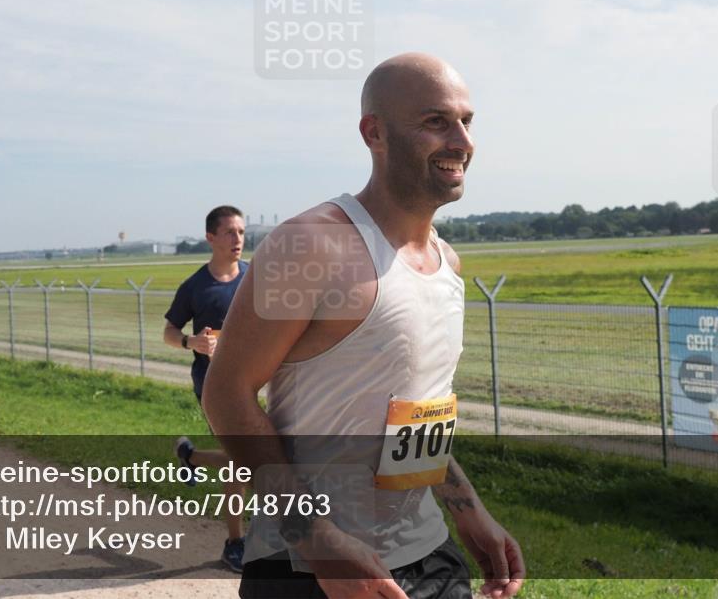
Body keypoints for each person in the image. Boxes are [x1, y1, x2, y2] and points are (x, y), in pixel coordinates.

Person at [202, 54, 525, 599]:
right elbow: (226, 396)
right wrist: (317, 540)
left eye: (467, 121)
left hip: (427, 554)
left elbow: (412, 413)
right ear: (374, 133)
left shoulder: (447, 263)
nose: (461, 139)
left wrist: (468, 510)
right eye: (435, 122)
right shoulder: (310, 245)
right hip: (308, 570)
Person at [164, 204, 249, 572]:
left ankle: (191, 457)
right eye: (230, 232)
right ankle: (235, 543)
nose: (238, 239)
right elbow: (168, 333)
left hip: (259, 383)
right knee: (240, 466)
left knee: (253, 461)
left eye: (242, 232)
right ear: (211, 238)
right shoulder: (196, 286)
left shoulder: (255, 278)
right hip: (215, 388)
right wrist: (191, 343)